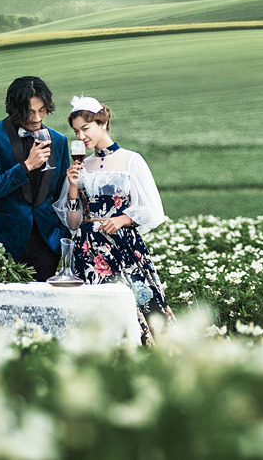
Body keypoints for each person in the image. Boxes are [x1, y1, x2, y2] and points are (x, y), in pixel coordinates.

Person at [54, 95, 175, 344]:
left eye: (85, 129)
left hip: (122, 244)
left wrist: (123, 219)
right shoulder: (81, 166)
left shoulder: (131, 160)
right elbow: (73, 223)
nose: (80, 137)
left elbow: (151, 209)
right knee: (96, 313)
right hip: (88, 249)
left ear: (102, 123)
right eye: (76, 132)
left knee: (141, 303)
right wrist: (74, 187)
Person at [0, 76, 70, 281]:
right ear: (15, 108)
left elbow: (62, 195)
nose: (37, 118)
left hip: (48, 245)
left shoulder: (60, 141)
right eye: (30, 111)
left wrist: (61, 236)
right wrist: (26, 166)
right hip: (4, 246)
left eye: (42, 110)